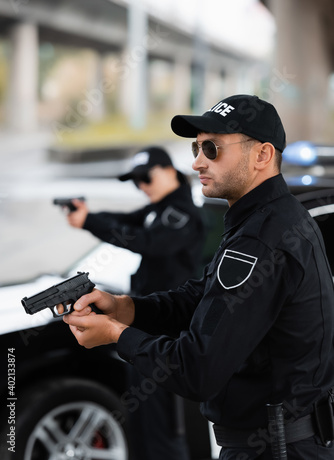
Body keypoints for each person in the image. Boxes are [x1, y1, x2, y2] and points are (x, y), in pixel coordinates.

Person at [62, 94, 334, 459]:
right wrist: (124, 307)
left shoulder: (260, 239)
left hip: (274, 448)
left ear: (262, 156)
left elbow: (197, 371)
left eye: (212, 148)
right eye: (196, 147)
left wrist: (116, 335)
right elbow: (201, 297)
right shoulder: (270, 219)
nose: (196, 162)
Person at [65, 145, 205, 460]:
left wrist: (91, 220)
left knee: (163, 427)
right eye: (135, 180)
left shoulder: (181, 213)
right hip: (143, 327)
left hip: (167, 333)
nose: (141, 185)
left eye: (146, 177)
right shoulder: (158, 208)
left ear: (170, 171)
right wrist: (87, 217)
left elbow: (145, 241)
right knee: (141, 420)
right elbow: (125, 220)